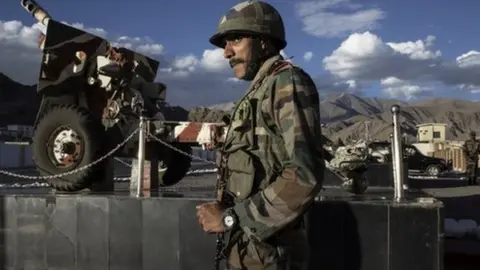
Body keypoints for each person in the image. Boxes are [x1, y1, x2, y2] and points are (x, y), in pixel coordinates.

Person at [196, 1, 325, 269]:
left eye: (235, 39)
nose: (226, 53)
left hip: (272, 256)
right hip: (249, 251)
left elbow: (304, 175)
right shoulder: (261, 90)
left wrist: (232, 218)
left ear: (265, 42)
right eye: (224, 44)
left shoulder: (285, 83)